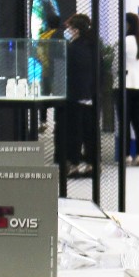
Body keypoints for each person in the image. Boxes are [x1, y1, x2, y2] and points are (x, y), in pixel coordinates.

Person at [58, 13, 98, 178]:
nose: (67, 31)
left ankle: (73, 165)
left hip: (74, 95)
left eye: (69, 28)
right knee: (90, 132)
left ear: (76, 30)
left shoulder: (72, 49)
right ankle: (91, 165)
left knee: (74, 132)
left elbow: (64, 72)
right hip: (91, 95)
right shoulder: (94, 47)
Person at [122, 11, 139, 166]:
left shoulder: (124, 41)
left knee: (124, 122)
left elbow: (117, 63)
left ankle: (126, 155)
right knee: (138, 121)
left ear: (127, 24)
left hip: (126, 85)